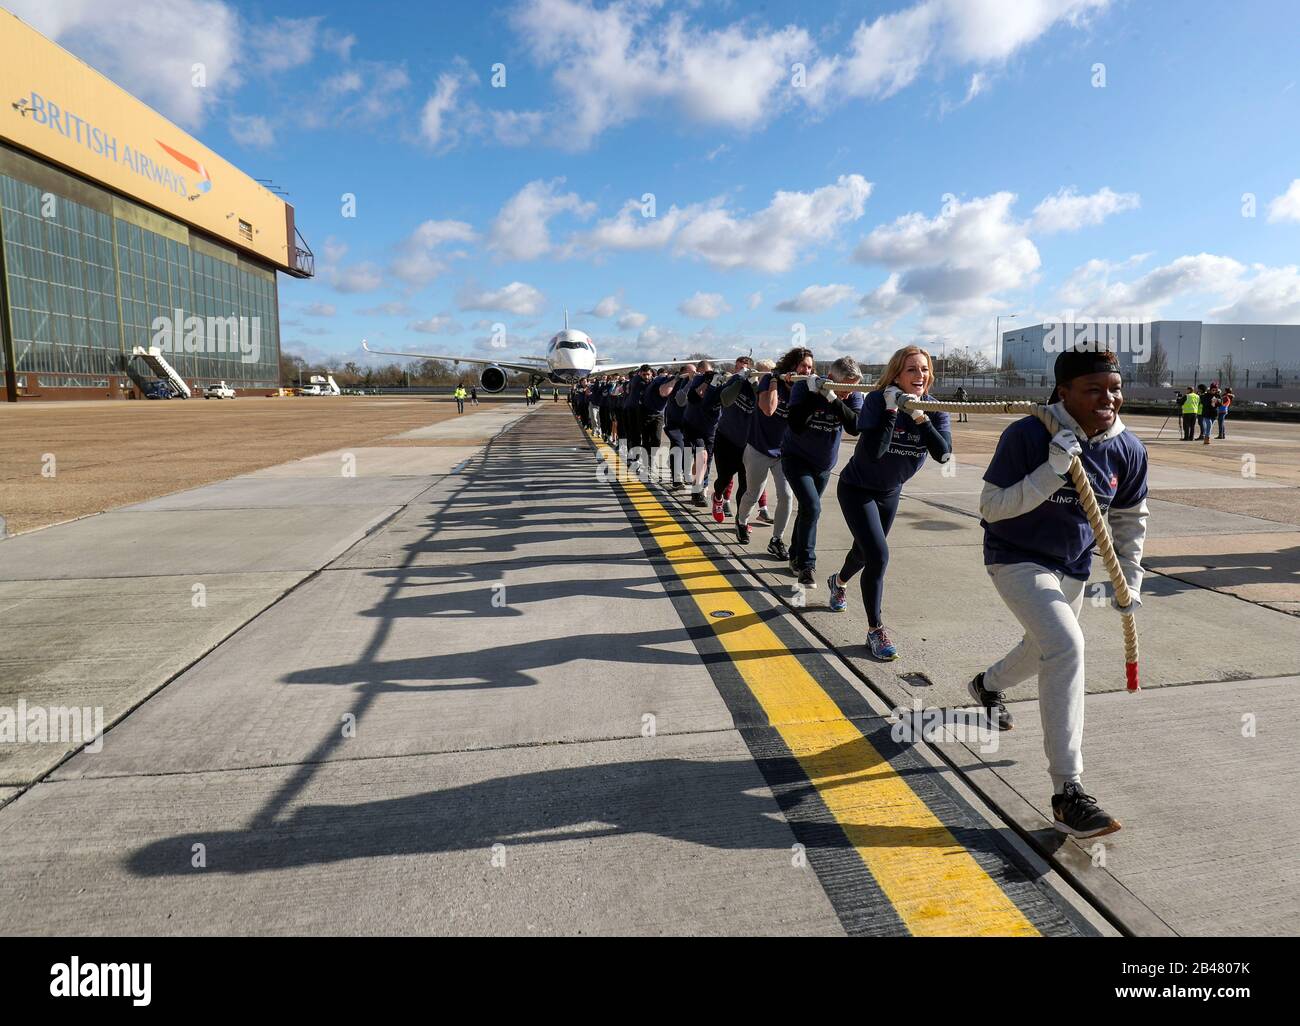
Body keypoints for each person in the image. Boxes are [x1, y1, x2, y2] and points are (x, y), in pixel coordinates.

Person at [974, 346, 1148, 839]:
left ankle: (987, 685)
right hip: (1015, 557)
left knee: (1041, 649)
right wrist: (1049, 472)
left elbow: (1129, 521)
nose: (1108, 399)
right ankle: (1067, 792)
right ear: (1064, 392)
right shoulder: (1029, 434)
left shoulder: (1128, 449)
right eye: (1093, 389)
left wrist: (1130, 578)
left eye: (1114, 388)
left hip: (1072, 566)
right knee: (1067, 647)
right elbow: (991, 507)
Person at [829, 347, 950, 657]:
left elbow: (943, 453)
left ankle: (838, 581)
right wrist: (892, 410)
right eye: (912, 369)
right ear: (897, 374)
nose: (920, 375)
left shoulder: (935, 408)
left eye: (924, 369)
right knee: (879, 556)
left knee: (864, 552)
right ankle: (875, 630)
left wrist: (920, 417)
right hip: (857, 488)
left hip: (890, 492)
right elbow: (873, 453)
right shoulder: (876, 400)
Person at [783, 357, 864, 588]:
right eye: (842, 388)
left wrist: (833, 398)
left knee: (808, 510)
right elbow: (796, 424)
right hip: (795, 457)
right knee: (812, 507)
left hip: (823, 464)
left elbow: (854, 427)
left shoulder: (852, 393)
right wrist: (814, 395)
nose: (847, 394)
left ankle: (794, 554)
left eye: (851, 389)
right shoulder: (803, 386)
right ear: (830, 379)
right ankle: (807, 565)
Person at [735, 347, 812, 559]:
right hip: (759, 448)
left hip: (784, 453)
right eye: (803, 366)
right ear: (792, 365)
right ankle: (741, 522)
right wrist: (776, 380)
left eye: (810, 367)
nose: (806, 370)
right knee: (753, 494)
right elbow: (768, 409)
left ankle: (776, 540)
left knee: (787, 496)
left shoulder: (805, 388)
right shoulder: (769, 379)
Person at [679, 361, 725, 506]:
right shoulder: (698, 379)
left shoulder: (721, 381)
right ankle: (697, 491)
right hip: (693, 425)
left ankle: (700, 486)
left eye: (710, 372)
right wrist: (706, 380)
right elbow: (693, 397)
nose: (709, 374)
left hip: (711, 428)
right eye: (706, 372)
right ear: (700, 372)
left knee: (706, 460)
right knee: (702, 455)